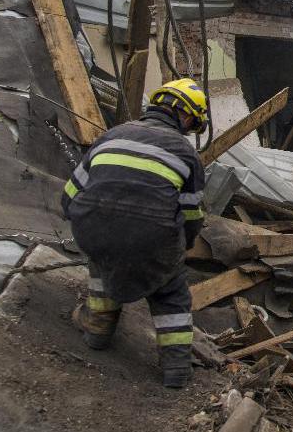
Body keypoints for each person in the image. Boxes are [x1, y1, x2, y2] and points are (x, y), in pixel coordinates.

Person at [63, 78, 208, 388]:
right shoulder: (185, 153)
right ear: (184, 115)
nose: (188, 130)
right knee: (170, 293)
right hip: (150, 236)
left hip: (92, 227)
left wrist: (91, 230)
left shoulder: (111, 136)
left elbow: (70, 194)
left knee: (103, 262)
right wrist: (181, 250)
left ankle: (98, 331)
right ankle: (177, 368)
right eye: (192, 124)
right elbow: (192, 215)